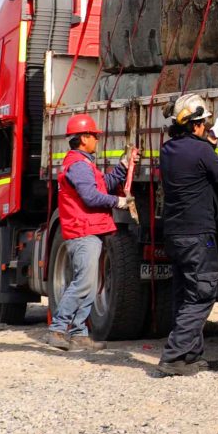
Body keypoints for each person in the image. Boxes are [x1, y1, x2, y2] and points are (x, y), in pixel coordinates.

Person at [155, 93, 218, 376]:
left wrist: (213, 139)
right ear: (194, 125)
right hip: (197, 235)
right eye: (204, 122)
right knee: (203, 293)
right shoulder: (202, 151)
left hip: (175, 234)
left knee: (184, 294)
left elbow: (196, 155)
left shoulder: (168, 150)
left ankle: (191, 356)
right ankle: (174, 356)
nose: (206, 126)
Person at [47, 113, 139, 351]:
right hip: (83, 230)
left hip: (87, 229)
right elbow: (91, 196)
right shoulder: (78, 165)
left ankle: (79, 333)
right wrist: (118, 202)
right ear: (83, 138)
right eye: (94, 136)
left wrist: (122, 168)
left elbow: (102, 185)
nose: (97, 140)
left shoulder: (83, 163)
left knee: (88, 284)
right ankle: (58, 329)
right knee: (83, 283)